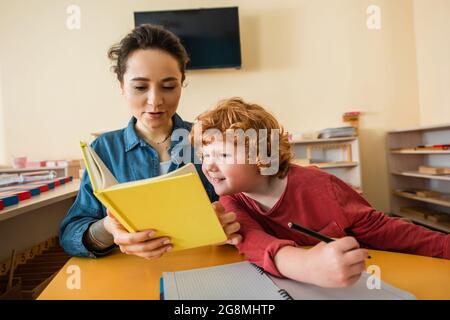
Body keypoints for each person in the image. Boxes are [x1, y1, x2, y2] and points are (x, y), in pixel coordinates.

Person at [192, 97, 450, 288]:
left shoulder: (320, 186)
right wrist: (307, 267)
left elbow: (387, 231)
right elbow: (252, 240)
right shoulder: (230, 200)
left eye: (223, 155)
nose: (209, 166)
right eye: (204, 156)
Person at [60, 24, 241, 259]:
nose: (155, 101)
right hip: (131, 278)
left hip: (206, 268)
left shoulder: (209, 141)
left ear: (181, 84)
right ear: (122, 87)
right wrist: (109, 229)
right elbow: (70, 235)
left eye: (168, 86)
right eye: (140, 87)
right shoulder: (104, 150)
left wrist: (233, 220)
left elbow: (253, 204)